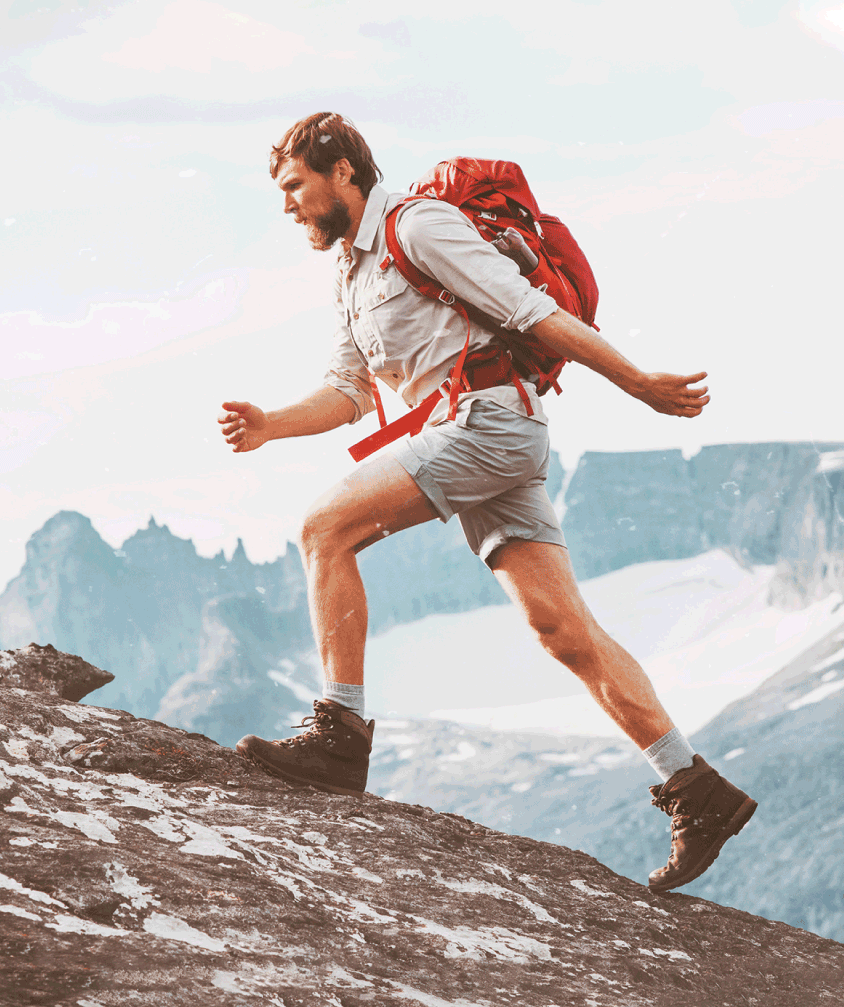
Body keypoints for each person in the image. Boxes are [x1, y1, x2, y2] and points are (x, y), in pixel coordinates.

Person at [219, 112, 755, 892]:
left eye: (295, 187)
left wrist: (636, 381)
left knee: (322, 528)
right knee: (564, 631)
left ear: (342, 171)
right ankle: (696, 790)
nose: (288, 206)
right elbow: (349, 391)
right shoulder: (349, 272)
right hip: (481, 436)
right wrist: (271, 425)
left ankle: (340, 736)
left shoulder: (418, 227)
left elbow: (531, 312)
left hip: (490, 424)